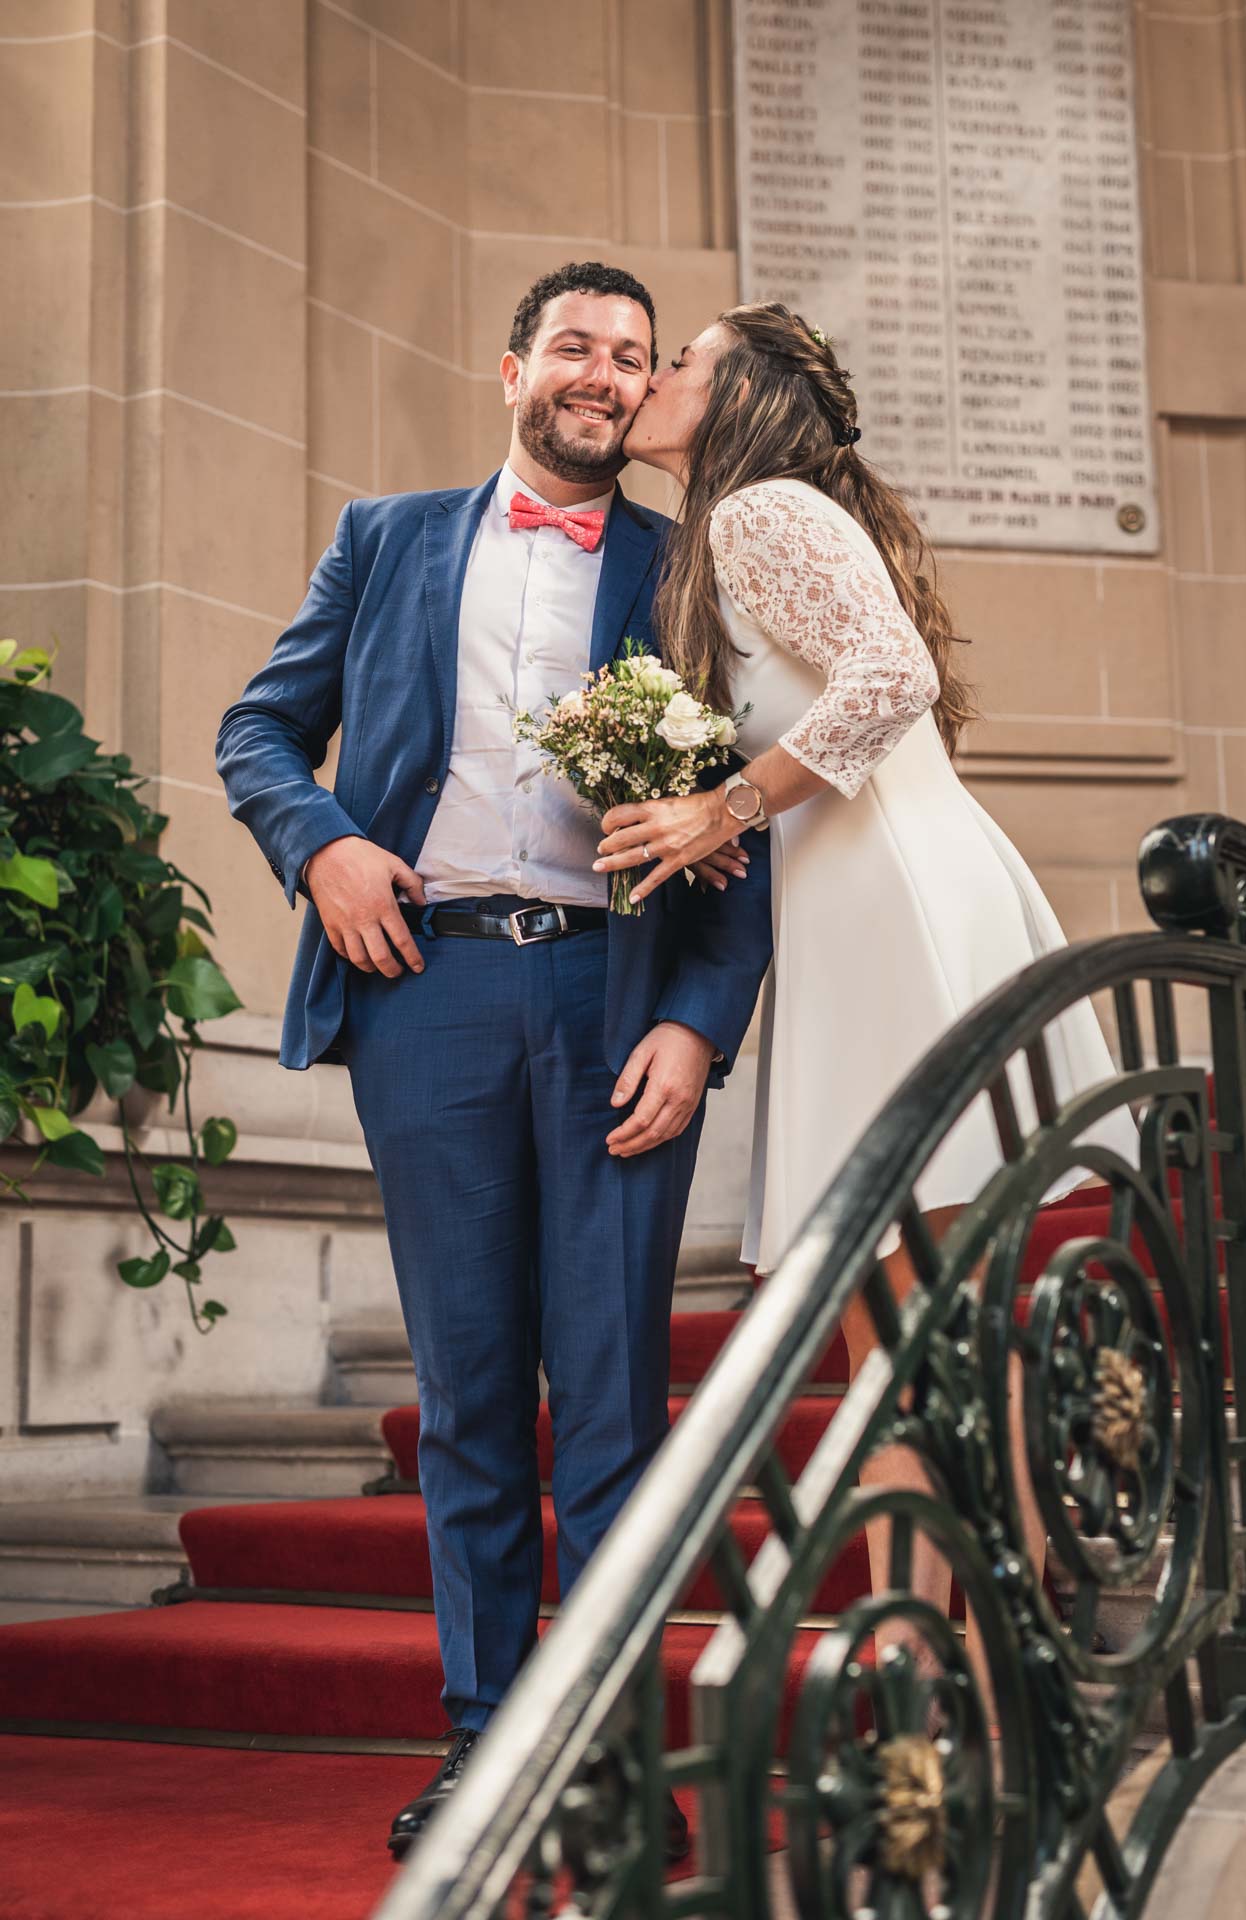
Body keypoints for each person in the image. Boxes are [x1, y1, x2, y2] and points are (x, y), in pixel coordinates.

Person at [214, 263, 773, 1859]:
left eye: (634, 358)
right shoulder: (385, 540)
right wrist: (319, 847)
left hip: (616, 998)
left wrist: (698, 1017)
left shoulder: (688, 570)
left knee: (607, 1400)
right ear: (512, 367)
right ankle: (485, 1745)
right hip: (428, 995)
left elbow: (742, 819)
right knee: (468, 1397)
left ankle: (603, 1753)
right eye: (577, 349)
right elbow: (260, 730)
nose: (605, 374)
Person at [594, 299, 1134, 1654]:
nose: (653, 380)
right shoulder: (751, 526)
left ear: (741, 396)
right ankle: (1001, 1646)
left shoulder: (754, 513)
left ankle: (919, 1667)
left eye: (679, 363)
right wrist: (720, 804)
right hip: (869, 908)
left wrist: (719, 811)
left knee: (893, 1334)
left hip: (887, 915)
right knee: (930, 1323)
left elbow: (884, 676)